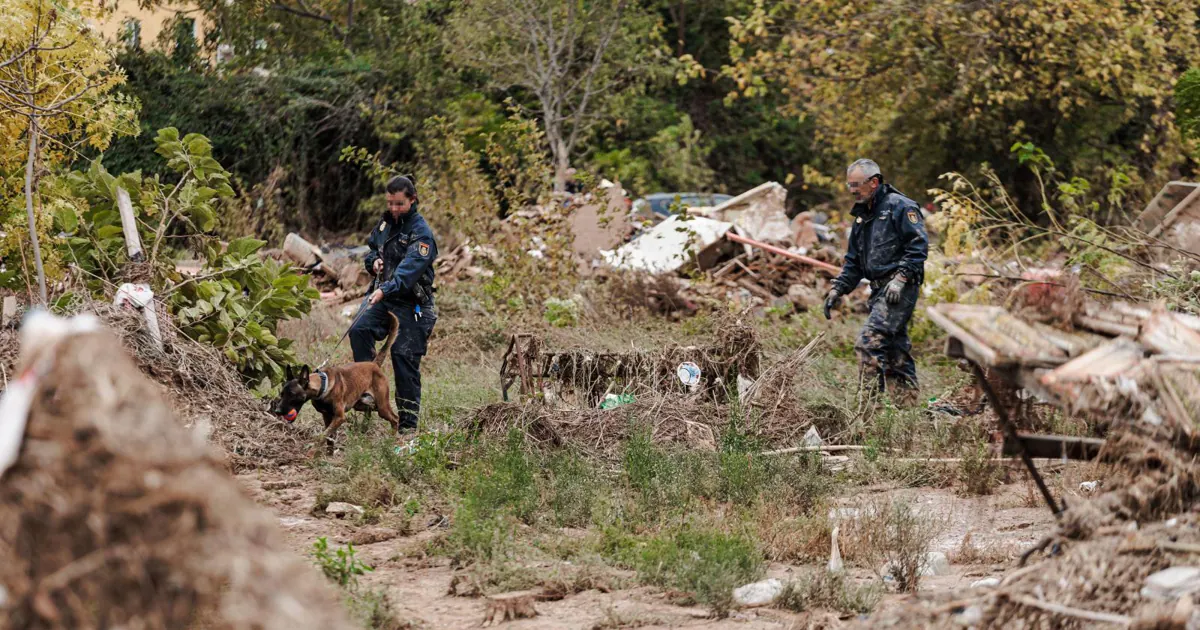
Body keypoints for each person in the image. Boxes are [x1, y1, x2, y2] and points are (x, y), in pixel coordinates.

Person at [823, 159, 928, 399]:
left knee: (868, 342)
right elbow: (854, 262)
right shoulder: (862, 216)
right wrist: (837, 289)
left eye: (857, 185)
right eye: (849, 185)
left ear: (874, 182)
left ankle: (869, 411)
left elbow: (918, 246)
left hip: (899, 289)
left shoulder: (900, 207)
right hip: (879, 289)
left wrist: (901, 278)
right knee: (895, 351)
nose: (852, 190)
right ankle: (909, 411)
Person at [349, 175, 438, 433]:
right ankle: (366, 389)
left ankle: (408, 429)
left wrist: (385, 288)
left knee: (404, 360)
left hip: (413, 305)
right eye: (390, 203)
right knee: (359, 329)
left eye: (399, 203)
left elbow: (408, 272)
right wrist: (374, 261)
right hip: (383, 296)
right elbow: (372, 248)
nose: (394, 208)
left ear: (412, 200)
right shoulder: (385, 222)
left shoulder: (421, 233)